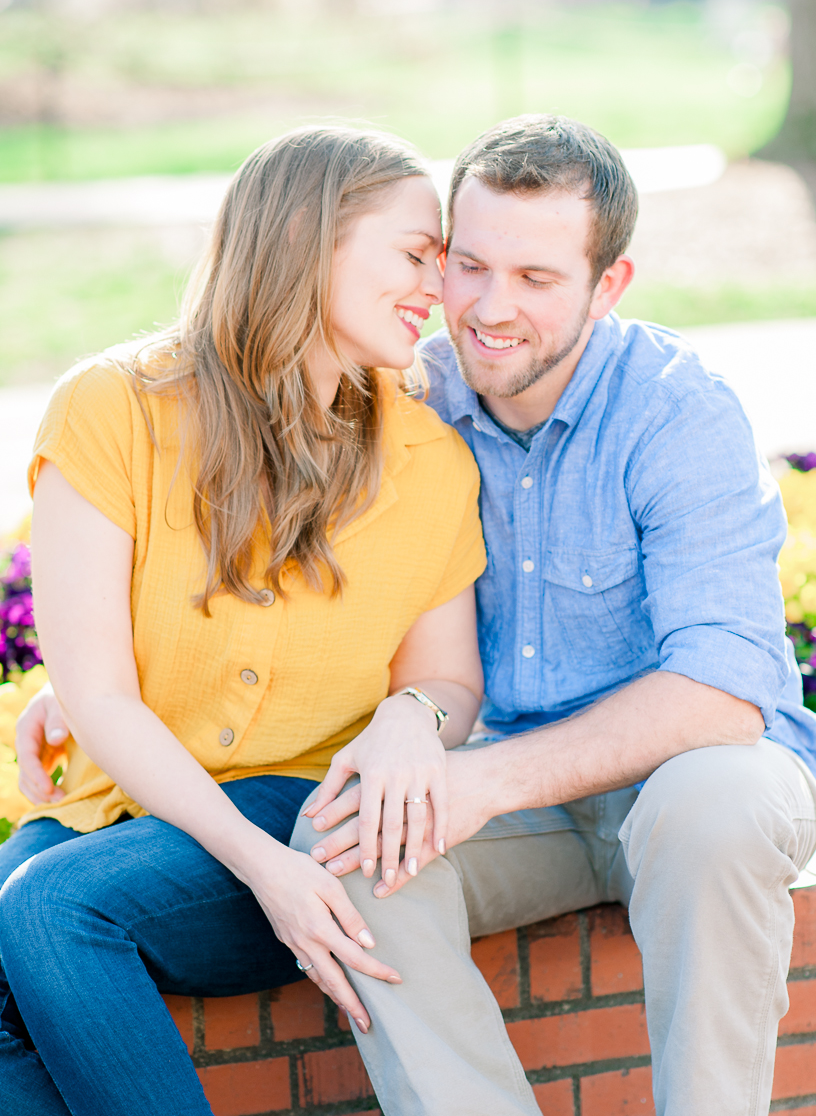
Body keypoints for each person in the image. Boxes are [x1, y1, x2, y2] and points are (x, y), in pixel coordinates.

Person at [288, 115, 816, 1116]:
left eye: (537, 279)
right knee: (351, 850)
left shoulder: (676, 411)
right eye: (469, 266)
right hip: (525, 804)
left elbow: (724, 687)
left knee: (707, 804)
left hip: (690, 778)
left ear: (607, 286)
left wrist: (485, 778)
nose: (491, 310)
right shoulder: (411, 400)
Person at [0, 126, 487, 1116]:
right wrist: (260, 870)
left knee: (48, 910)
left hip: (308, 813)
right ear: (309, 240)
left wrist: (411, 718)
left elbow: (449, 681)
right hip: (129, 811)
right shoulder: (112, 409)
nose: (436, 285)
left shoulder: (429, 454)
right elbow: (97, 693)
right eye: (414, 252)